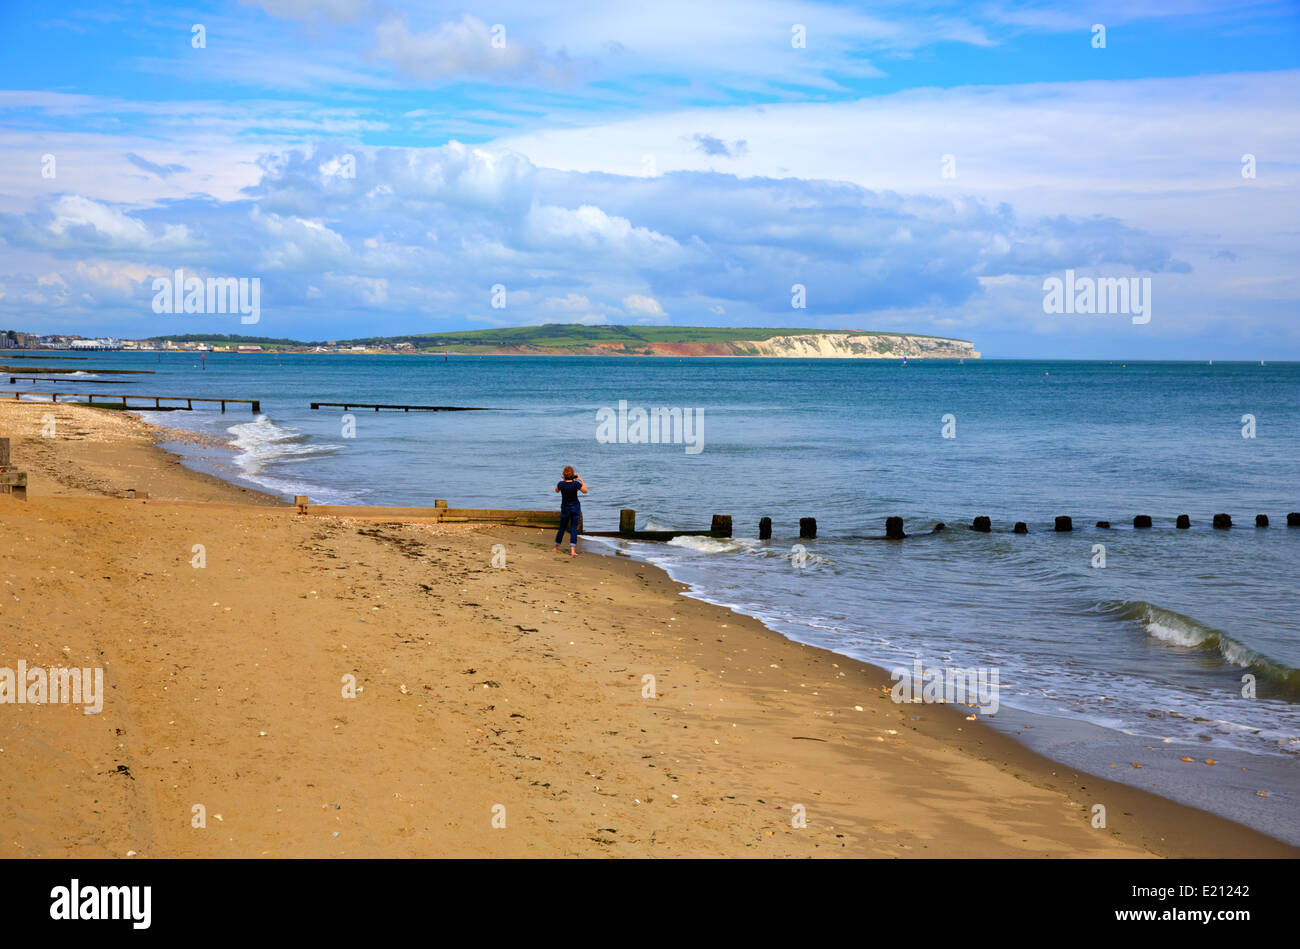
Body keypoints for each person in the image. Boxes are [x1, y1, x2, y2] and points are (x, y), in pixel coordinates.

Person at [552, 466, 587, 556]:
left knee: (562, 528)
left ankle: (556, 547)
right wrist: (581, 480)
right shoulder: (576, 484)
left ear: (564, 475)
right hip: (575, 507)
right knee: (573, 528)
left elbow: (556, 490)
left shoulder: (561, 484)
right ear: (573, 475)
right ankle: (572, 550)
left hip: (565, 507)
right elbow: (585, 491)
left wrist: (563, 479)